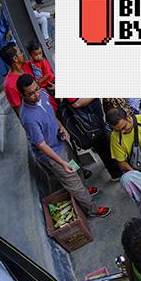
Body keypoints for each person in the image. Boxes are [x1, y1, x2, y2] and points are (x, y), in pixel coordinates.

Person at [17, 74, 111, 218]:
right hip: (52, 154)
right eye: (31, 93)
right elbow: (41, 144)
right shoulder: (28, 118)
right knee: (72, 181)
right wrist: (61, 162)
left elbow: (51, 115)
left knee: (76, 167)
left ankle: (85, 190)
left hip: (60, 141)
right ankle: (92, 210)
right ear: (22, 95)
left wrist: (61, 127)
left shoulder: (42, 95)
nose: (36, 94)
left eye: (37, 89)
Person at [63, 97, 122, 181]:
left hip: (92, 120)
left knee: (104, 146)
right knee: (104, 146)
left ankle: (116, 171)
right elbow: (76, 103)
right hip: (89, 123)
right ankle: (117, 174)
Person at [1, 44, 56, 118]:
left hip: (54, 107)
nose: (22, 53)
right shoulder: (9, 85)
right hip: (44, 118)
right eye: (20, 52)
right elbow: (21, 113)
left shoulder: (30, 65)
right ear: (15, 58)